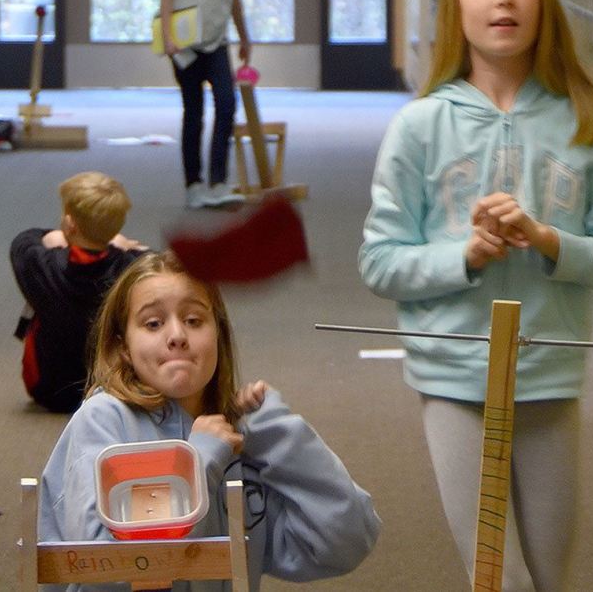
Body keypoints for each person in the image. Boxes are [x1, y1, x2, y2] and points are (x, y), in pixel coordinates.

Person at [359, 0, 593, 592]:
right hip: (455, 375)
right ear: (456, 3)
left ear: (543, 0)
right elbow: (380, 262)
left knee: (548, 577)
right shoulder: (420, 126)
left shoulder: (583, 121)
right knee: (501, 580)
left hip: (549, 371)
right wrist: (466, 255)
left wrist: (547, 242)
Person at [39, 251, 380, 591]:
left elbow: (345, 544)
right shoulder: (104, 420)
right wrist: (195, 464)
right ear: (122, 347)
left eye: (194, 320)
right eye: (153, 323)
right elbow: (106, 573)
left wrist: (278, 432)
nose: (177, 335)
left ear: (218, 334)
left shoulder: (235, 435)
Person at [10, 172, 148, 413]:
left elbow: (23, 241)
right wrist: (122, 245)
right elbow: (154, 259)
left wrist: (50, 236)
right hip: (116, 389)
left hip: (51, 390)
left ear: (70, 224)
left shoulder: (43, 264)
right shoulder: (132, 269)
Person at [160, 0, 254, 209]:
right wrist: (167, 36)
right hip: (185, 44)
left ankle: (218, 181)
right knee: (194, 111)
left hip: (216, 42)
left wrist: (244, 36)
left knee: (227, 104)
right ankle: (194, 184)